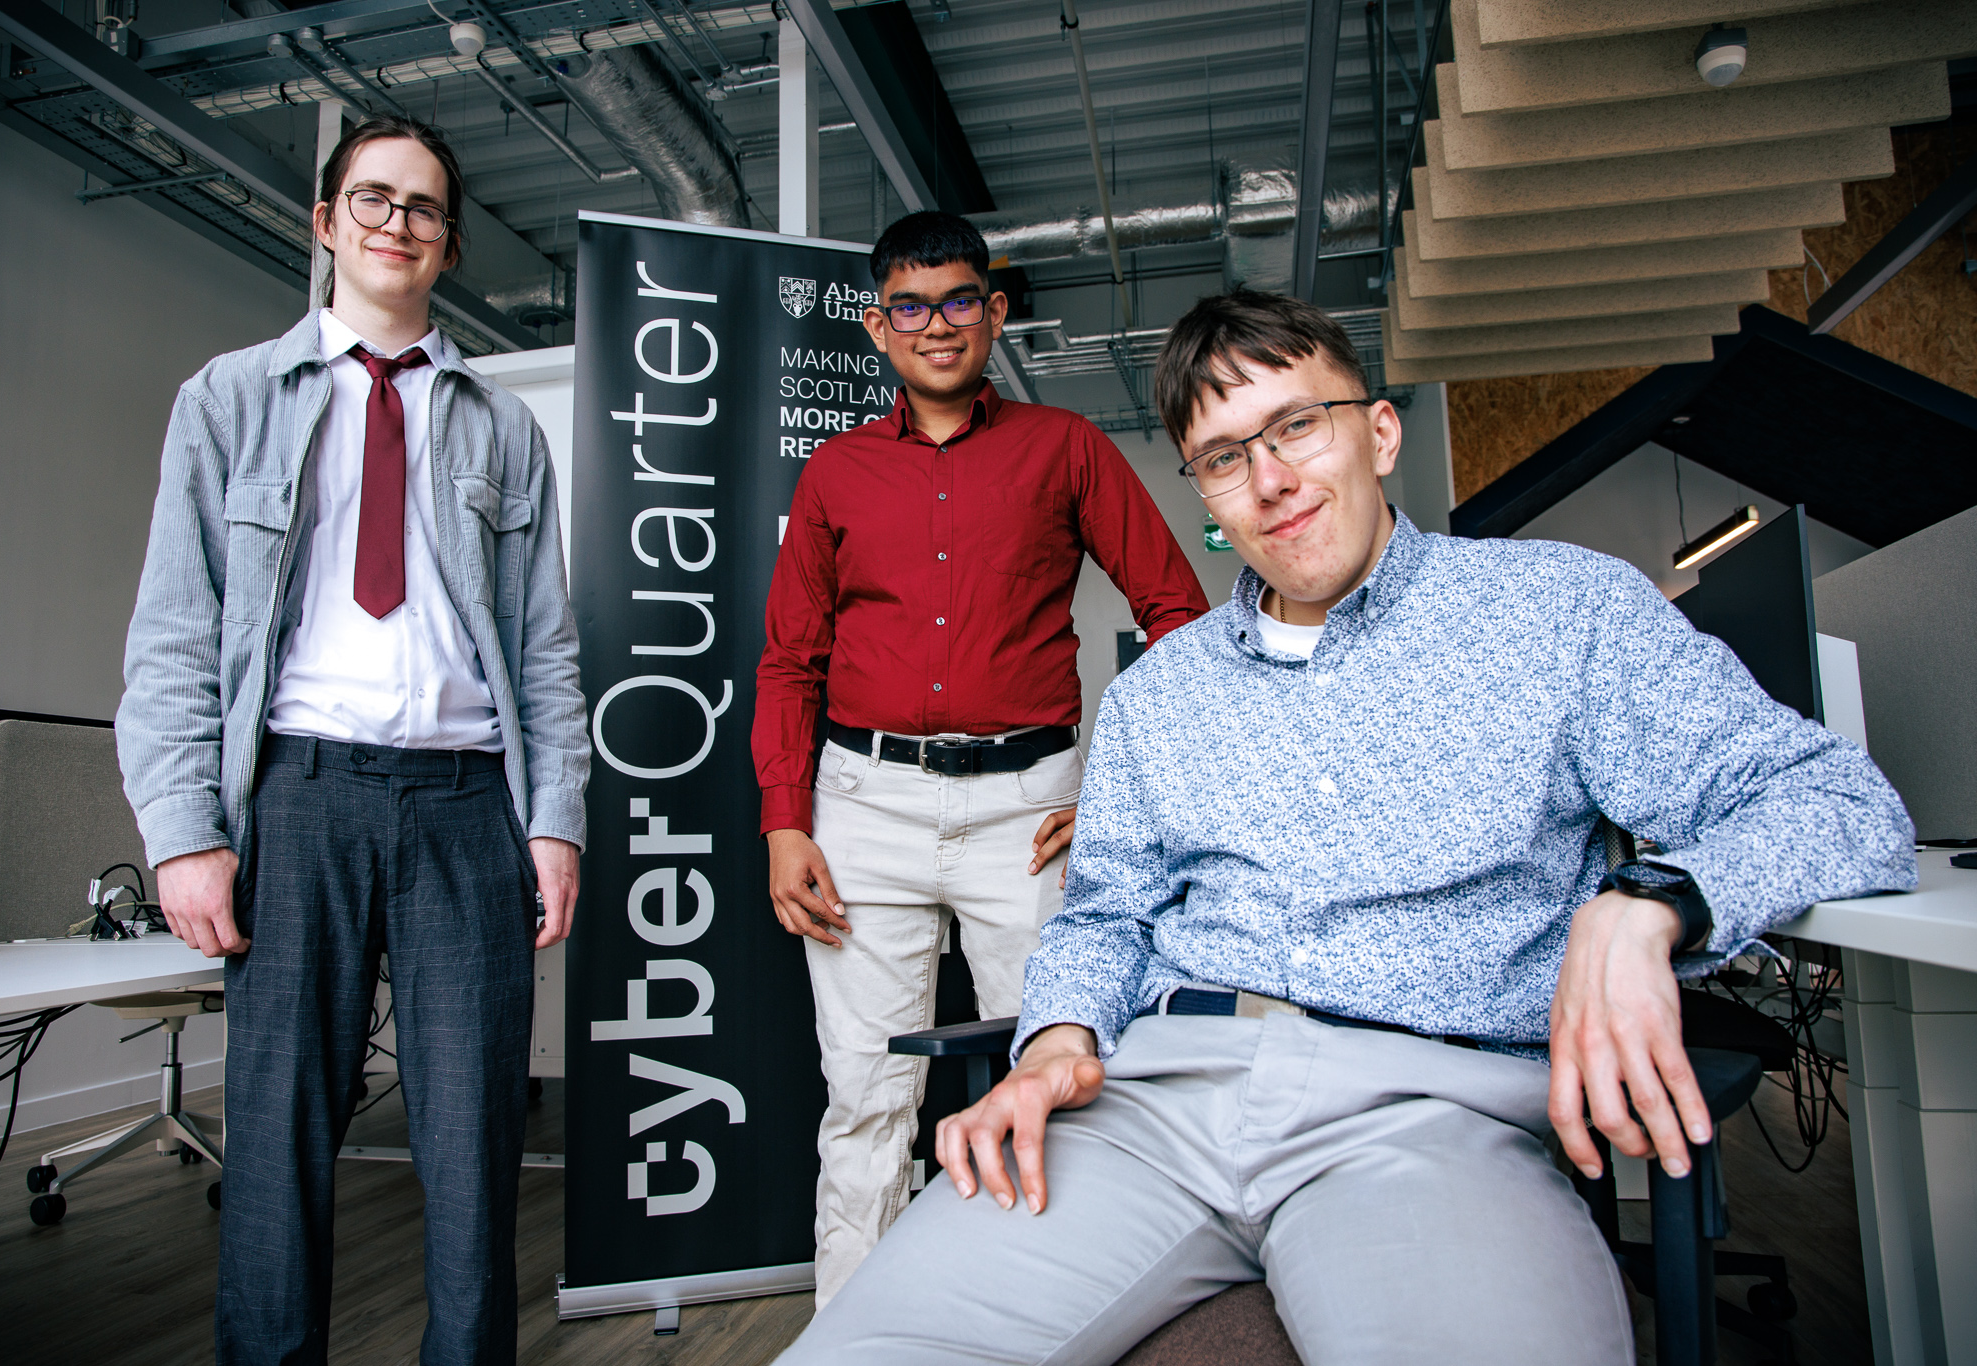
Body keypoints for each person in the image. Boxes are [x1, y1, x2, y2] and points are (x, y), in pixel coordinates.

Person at [775, 289, 1915, 1363]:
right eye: (1224, 458)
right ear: (1203, 497)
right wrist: (1060, 1040)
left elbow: (1840, 804)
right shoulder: (1157, 693)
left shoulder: (1557, 611)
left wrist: (1647, 902)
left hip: (1428, 1112)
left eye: (1297, 428)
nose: (1267, 479)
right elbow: (1105, 912)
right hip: (1150, 1105)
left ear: (1376, 432)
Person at [115, 116, 588, 1366]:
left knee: (474, 1138)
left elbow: (544, 648)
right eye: (372, 200)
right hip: (296, 800)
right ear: (326, 224)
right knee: (272, 1135)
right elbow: (173, 632)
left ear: (445, 246)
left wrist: (552, 823)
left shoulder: (500, 430)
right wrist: (183, 834)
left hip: (462, 810)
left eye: (424, 208)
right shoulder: (224, 401)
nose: (396, 223)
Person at [754, 210, 1210, 1306]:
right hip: (864, 805)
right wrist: (784, 821)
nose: (937, 324)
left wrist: (1118, 794)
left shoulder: (1066, 449)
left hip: (1030, 806)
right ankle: (855, 1335)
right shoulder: (835, 474)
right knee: (864, 1098)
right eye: (910, 307)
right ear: (879, 327)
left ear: (993, 312)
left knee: (1058, 1078)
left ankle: (1048, 1319)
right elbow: (787, 661)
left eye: (960, 299)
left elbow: (1178, 620)